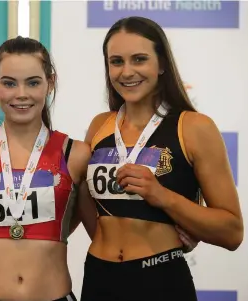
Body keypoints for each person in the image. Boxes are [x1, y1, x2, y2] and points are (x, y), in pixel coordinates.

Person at [80, 16, 244, 301]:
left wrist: (162, 196)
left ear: (162, 64)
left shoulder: (194, 127)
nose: (126, 71)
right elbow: (82, 200)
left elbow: (232, 232)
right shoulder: (99, 125)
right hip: (98, 275)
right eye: (116, 61)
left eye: (139, 59)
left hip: (160, 278)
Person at [0, 36, 93, 301]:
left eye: (33, 82)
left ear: (50, 83)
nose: (21, 94)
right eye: (9, 83)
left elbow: (104, 234)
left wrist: (175, 236)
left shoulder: (76, 154)